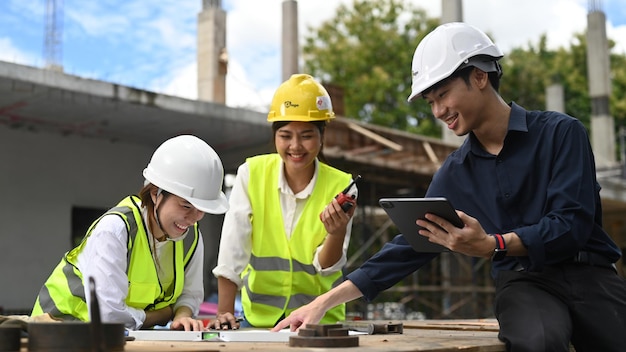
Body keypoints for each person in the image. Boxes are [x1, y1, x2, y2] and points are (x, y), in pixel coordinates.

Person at [272, 22, 626, 351]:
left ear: (479, 76)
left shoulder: (561, 133)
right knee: (538, 341)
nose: (438, 111)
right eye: (430, 103)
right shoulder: (456, 172)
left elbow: (572, 224)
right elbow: (408, 247)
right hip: (525, 285)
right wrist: (322, 302)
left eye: (442, 95)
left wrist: (492, 244)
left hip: (590, 273)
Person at [31, 135, 229, 331]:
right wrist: (165, 314)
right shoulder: (115, 230)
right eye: (186, 206)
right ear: (155, 194)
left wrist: (182, 316)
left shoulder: (190, 237)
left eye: (202, 209)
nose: (194, 218)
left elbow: (190, 294)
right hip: (56, 334)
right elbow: (109, 318)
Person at [211, 73, 358, 329]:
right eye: (286, 135)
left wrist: (337, 232)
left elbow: (326, 267)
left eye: (307, 135)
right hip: (260, 322)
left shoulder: (342, 186)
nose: (295, 146)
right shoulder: (251, 174)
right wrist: (224, 313)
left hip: (319, 322)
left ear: (322, 135)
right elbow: (234, 246)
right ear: (274, 135)